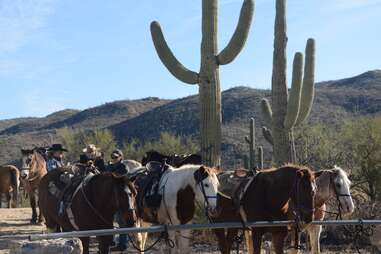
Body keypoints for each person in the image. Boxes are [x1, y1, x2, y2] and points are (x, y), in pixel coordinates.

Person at [106, 149, 130, 252]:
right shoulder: (110, 166)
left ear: (121, 157)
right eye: (113, 157)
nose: (114, 159)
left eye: (116, 157)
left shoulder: (123, 166)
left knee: (121, 221)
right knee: (108, 221)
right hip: (110, 197)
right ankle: (111, 241)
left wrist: (112, 174)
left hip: (121, 197)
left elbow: (121, 175)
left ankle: (123, 243)